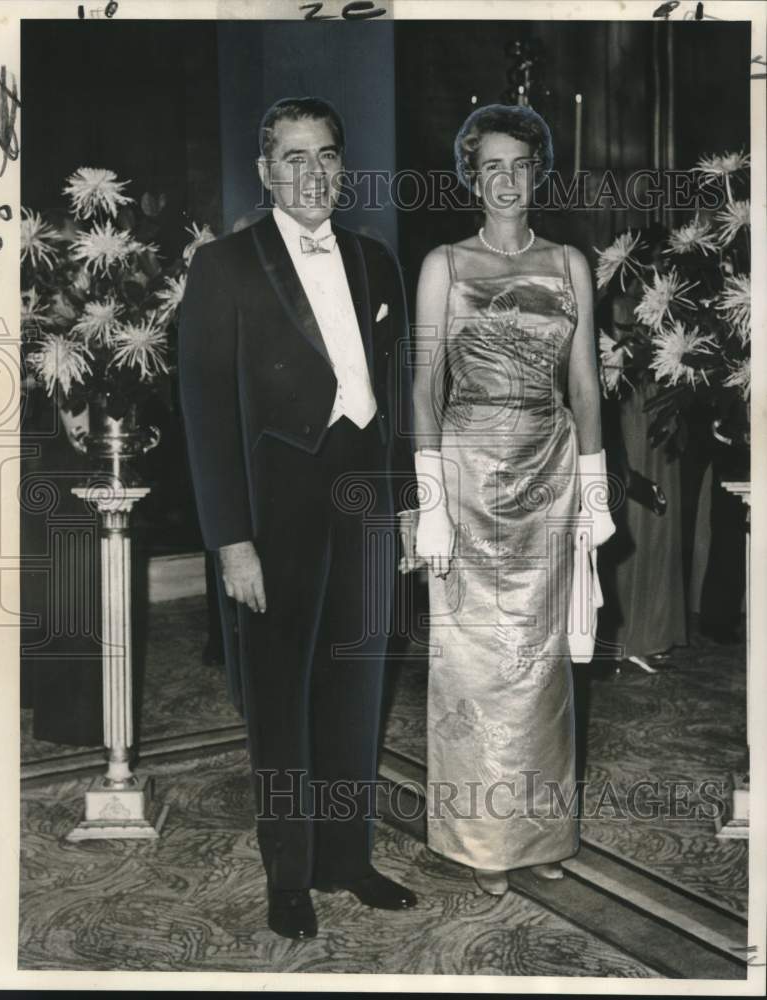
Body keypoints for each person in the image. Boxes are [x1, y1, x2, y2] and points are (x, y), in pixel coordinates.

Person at [178, 97, 417, 940]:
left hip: (367, 500)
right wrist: (228, 540)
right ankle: (289, 874)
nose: (310, 173)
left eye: (325, 156)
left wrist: (410, 507)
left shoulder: (375, 260)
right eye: (292, 157)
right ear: (265, 171)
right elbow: (203, 413)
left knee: (356, 687)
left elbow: (397, 398)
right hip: (274, 509)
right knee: (280, 698)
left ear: (342, 167)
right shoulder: (225, 267)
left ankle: (346, 860)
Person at [408, 104, 615, 895]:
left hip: (549, 474)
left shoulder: (568, 264)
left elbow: (585, 384)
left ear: (537, 173)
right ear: (471, 174)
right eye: (489, 165)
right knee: (472, 664)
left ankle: (539, 835)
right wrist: (428, 499)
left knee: (540, 666)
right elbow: (425, 384)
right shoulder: (442, 264)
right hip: (464, 474)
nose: (504, 179)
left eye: (518, 165)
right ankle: (476, 844)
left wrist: (593, 490)